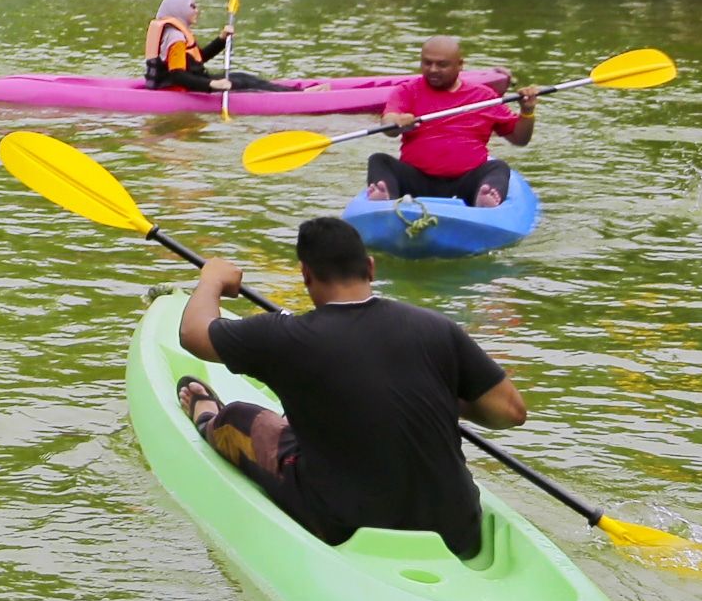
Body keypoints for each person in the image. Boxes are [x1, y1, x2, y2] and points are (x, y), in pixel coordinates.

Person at [174, 217, 526, 561]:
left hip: (346, 525)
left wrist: (212, 279)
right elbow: (510, 412)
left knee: (239, 417)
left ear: (306, 276)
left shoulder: (284, 336)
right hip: (458, 528)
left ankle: (207, 416)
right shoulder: (437, 328)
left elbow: (193, 333)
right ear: (370, 268)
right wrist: (441, 389)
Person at [366, 36, 537, 208]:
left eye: (442, 65)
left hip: (466, 183)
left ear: (460, 64)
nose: (433, 69)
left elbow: (519, 139)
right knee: (378, 160)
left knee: (499, 167)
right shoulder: (407, 90)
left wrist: (527, 111)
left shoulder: (484, 97)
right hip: (416, 180)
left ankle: (485, 201)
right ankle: (385, 201)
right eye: (427, 63)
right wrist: (397, 122)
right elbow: (388, 123)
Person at [142, 0, 296, 93]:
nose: (197, 10)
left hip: (191, 82)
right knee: (242, 84)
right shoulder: (175, 37)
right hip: (180, 88)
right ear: (179, 9)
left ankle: (295, 91)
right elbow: (177, 75)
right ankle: (296, 96)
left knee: (241, 76)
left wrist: (221, 40)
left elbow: (197, 59)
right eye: (192, 6)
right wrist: (211, 85)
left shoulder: (176, 33)